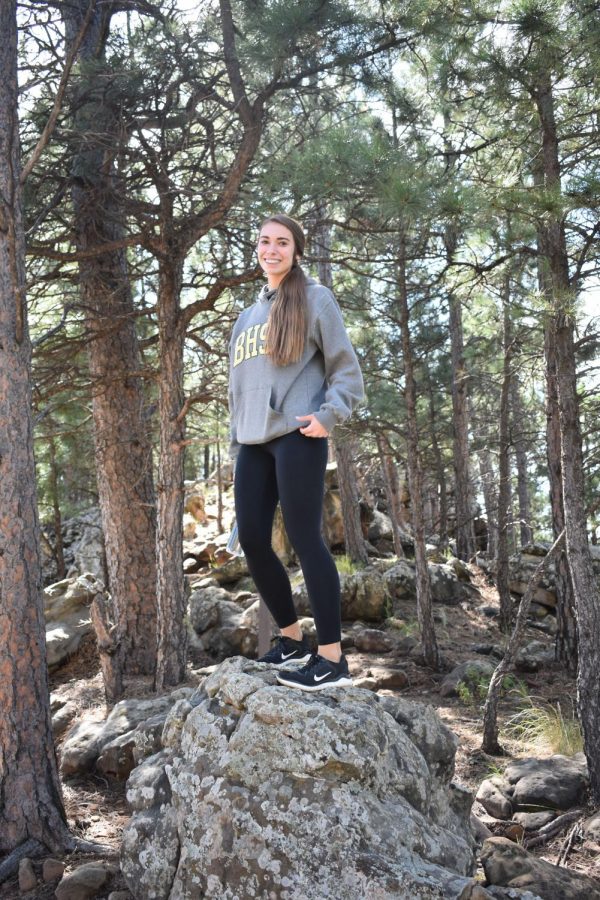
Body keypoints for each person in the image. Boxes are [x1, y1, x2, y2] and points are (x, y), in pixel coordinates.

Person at [228, 213, 364, 691]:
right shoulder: (245, 318)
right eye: (264, 241)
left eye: (282, 242)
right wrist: (235, 446)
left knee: (306, 539)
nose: (272, 249)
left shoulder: (315, 298)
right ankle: (290, 640)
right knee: (251, 540)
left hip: (297, 435)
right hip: (252, 443)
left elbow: (347, 369)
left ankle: (331, 658)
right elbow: (237, 394)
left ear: (296, 251)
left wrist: (327, 416)